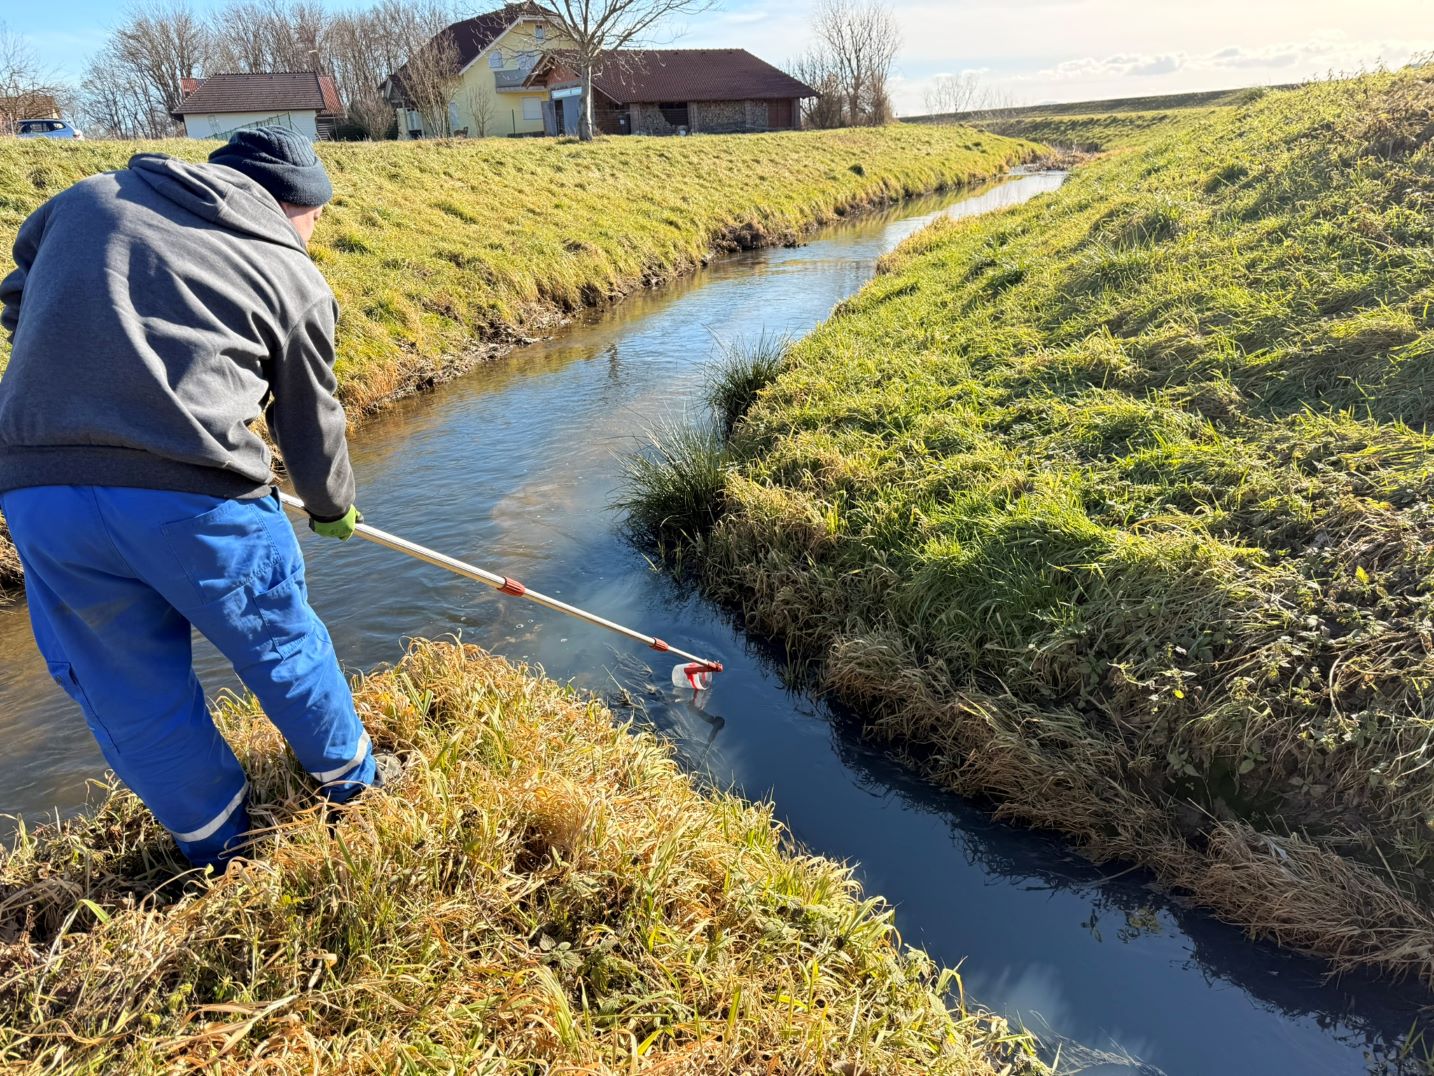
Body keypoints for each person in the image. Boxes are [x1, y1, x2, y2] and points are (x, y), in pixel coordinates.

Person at [0, 126, 387, 870]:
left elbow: (22, 296)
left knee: (125, 684)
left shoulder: (86, 200)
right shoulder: (291, 271)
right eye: (315, 219)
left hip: (39, 486)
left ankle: (216, 847)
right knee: (280, 647)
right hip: (196, 495)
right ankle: (355, 789)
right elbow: (310, 417)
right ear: (295, 207)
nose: (313, 234)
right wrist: (332, 505)